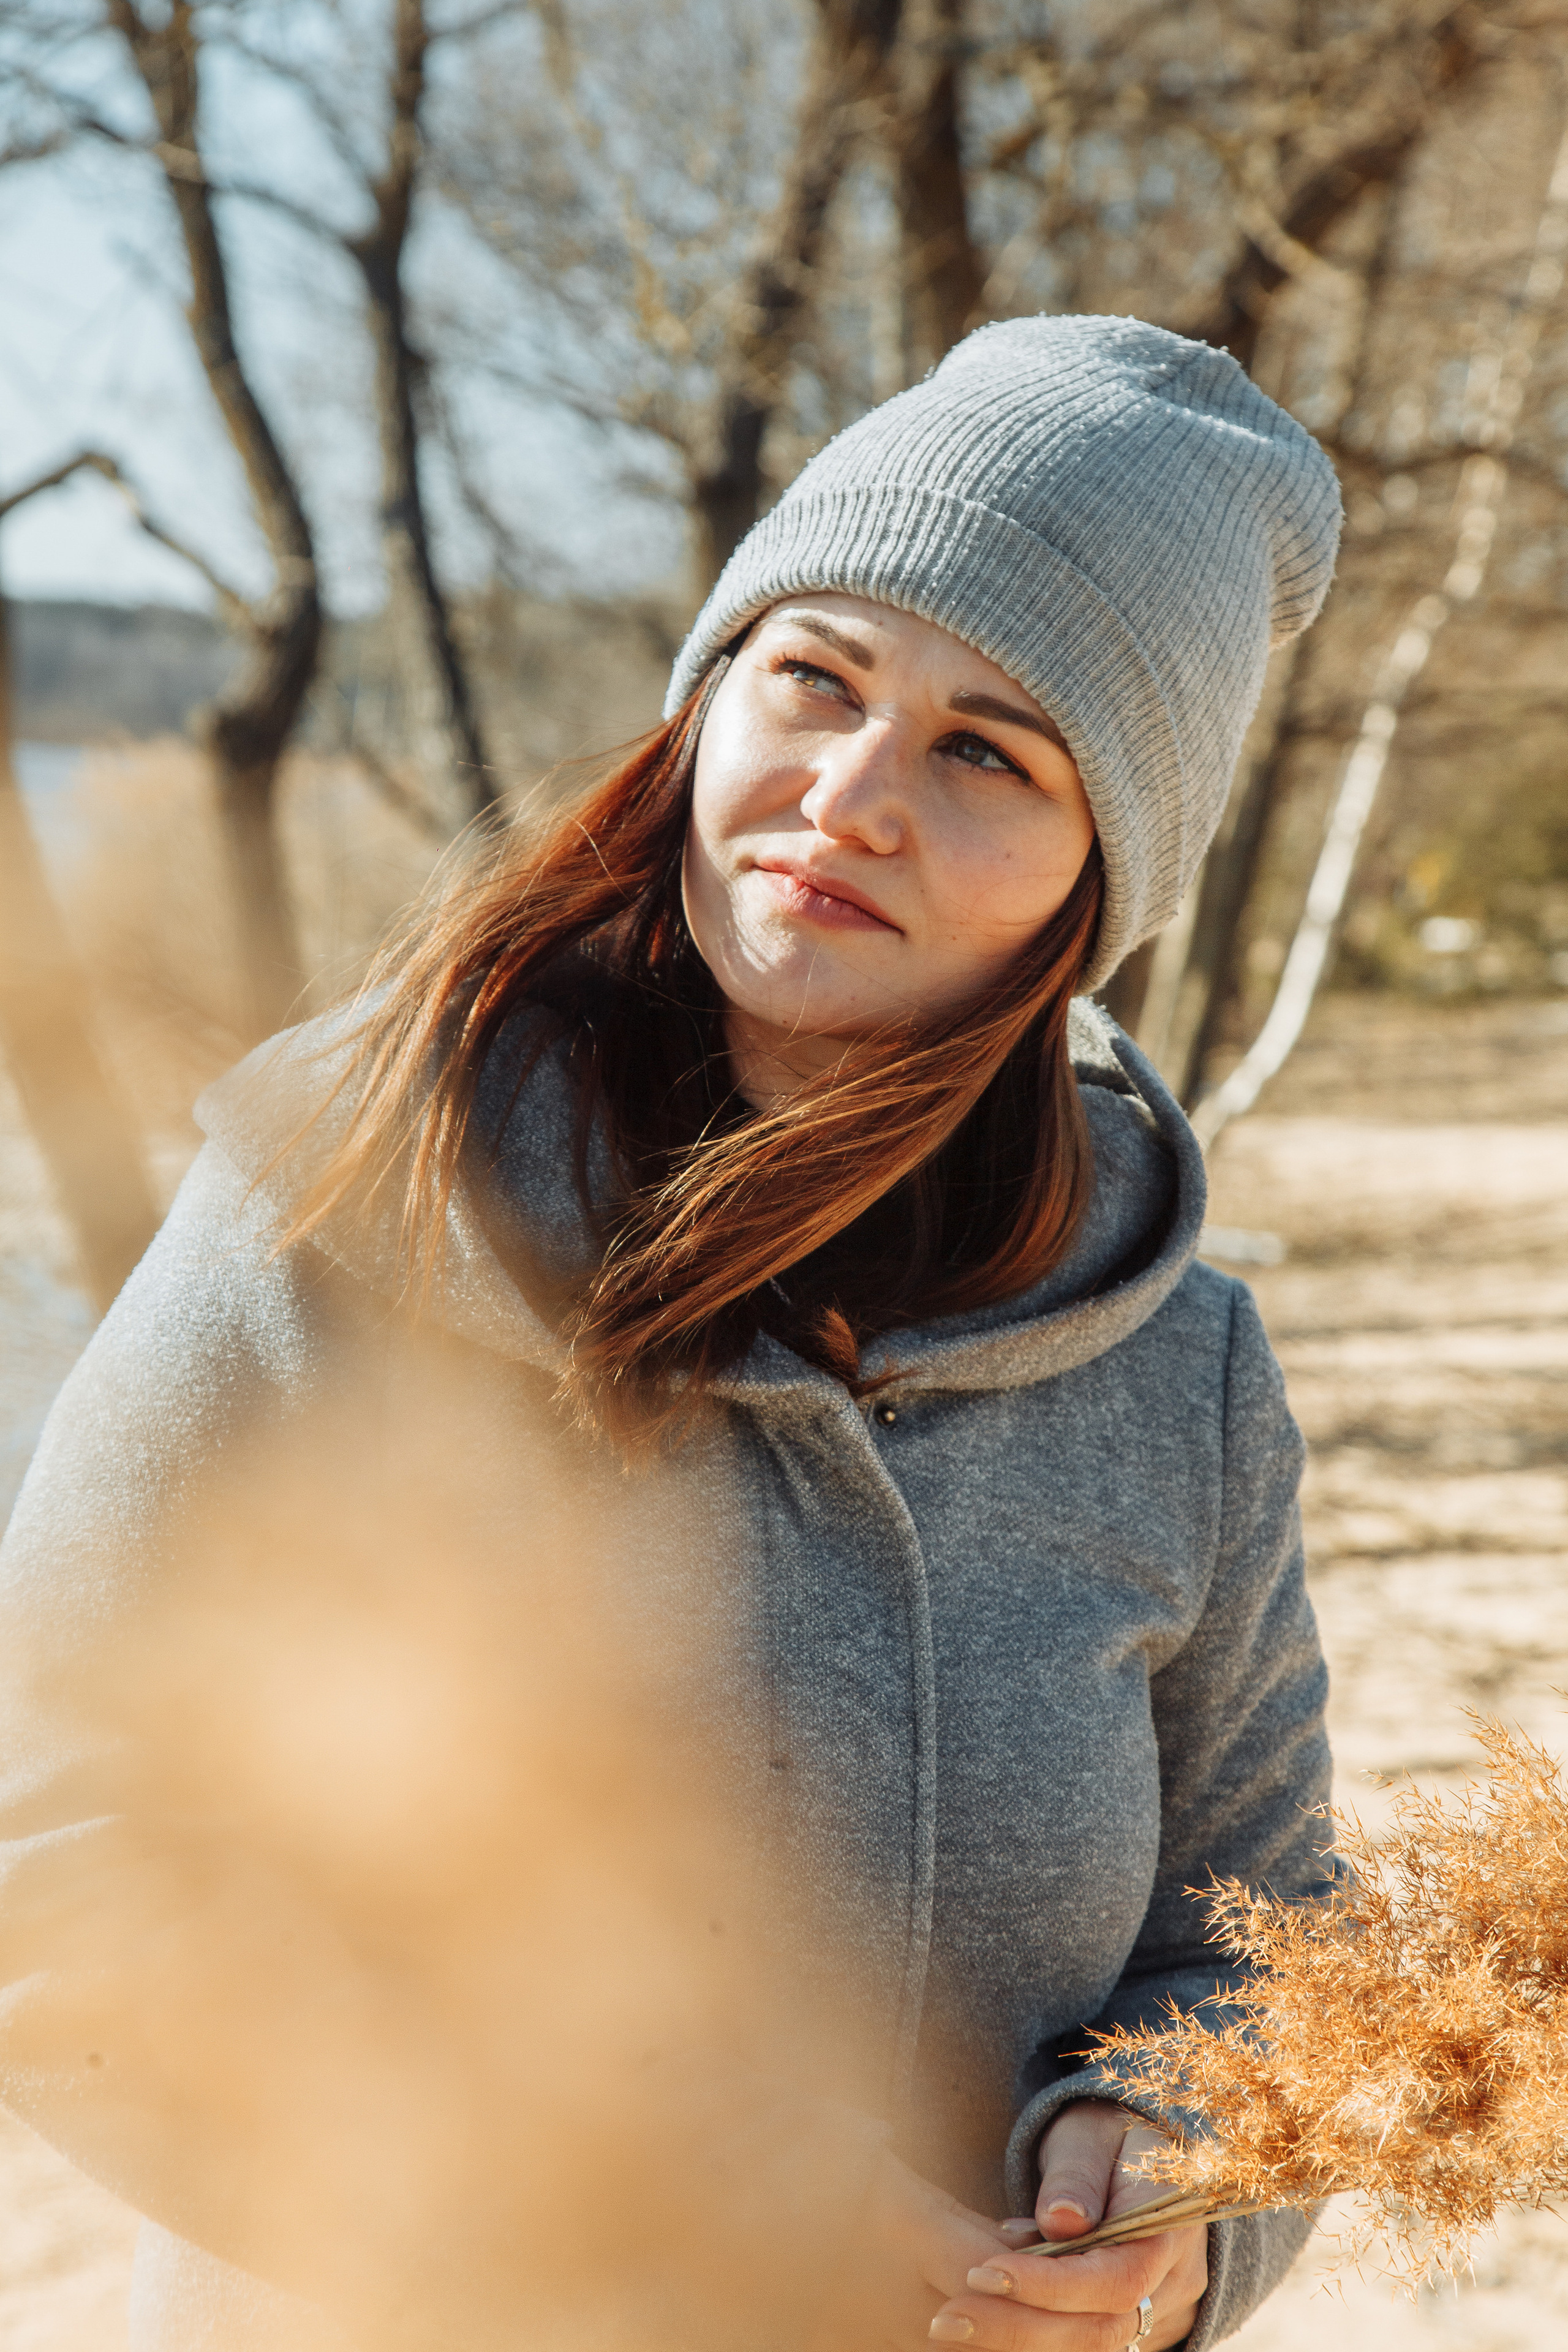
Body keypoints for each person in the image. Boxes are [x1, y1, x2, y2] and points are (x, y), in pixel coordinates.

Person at [0, 314, 1342, 2352]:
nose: (854, 794)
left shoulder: (1177, 1369)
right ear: (709, 699)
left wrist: (1183, 2177)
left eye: (990, 751)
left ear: (1102, 877)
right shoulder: (344, 1201)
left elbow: (1259, 1940)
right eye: (816, 676)